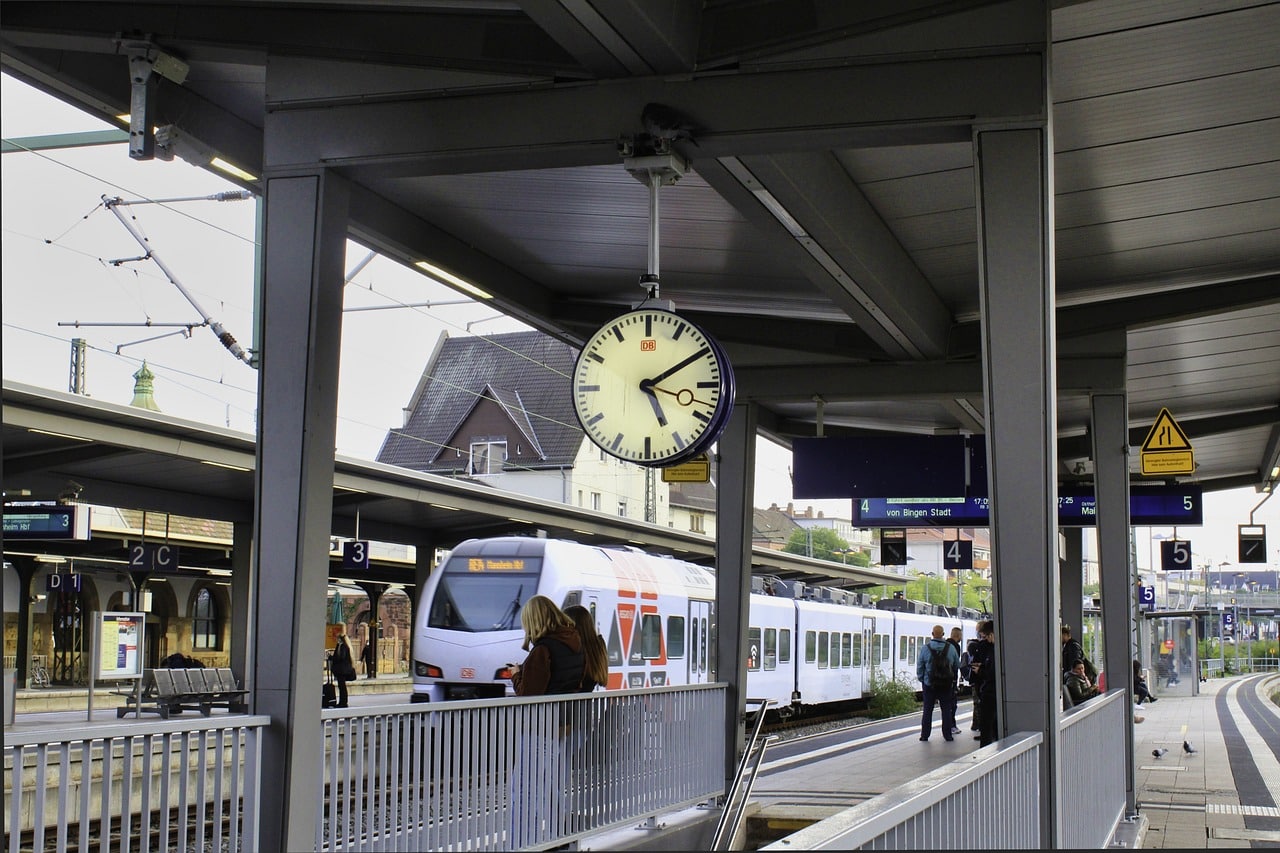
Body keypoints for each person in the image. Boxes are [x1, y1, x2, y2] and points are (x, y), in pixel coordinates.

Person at [508, 595, 585, 848]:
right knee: (551, 789)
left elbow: (529, 694)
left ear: (534, 620)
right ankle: (559, 839)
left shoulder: (544, 650)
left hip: (537, 727)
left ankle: (522, 844)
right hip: (560, 725)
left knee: (523, 791)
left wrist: (517, 675)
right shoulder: (575, 643)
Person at [916, 624, 960, 742]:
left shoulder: (926, 648)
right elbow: (957, 665)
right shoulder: (951, 648)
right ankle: (947, 735)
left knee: (927, 710)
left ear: (932, 634)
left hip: (929, 685)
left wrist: (923, 679)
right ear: (943, 635)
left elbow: (920, 666)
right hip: (946, 684)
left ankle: (925, 735)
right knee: (946, 709)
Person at [970, 620, 998, 747]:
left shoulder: (994, 650)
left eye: (987, 636)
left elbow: (992, 673)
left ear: (992, 634)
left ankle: (986, 749)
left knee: (987, 724)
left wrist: (980, 670)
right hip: (992, 691)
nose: (986, 639)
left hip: (990, 692)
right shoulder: (996, 649)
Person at [946, 626, 964, 735]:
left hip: (940, 679)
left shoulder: (944, 644)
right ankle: (951, 726)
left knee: (945, 705)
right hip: (951, 679)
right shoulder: (955, 646)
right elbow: (956, 664)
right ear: (957, 636)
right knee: (952, 704)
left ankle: (947, 727)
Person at [331, 630, 355, 708]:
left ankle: (343, 702)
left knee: (342, 687)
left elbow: (341, 657)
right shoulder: (347, 646)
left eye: (338, 638)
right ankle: (343, 702)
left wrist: (332, 657)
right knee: (342, 686)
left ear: (340, 639)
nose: (337, 640)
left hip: (341, 670)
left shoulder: (342, 646)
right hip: (344, 669)